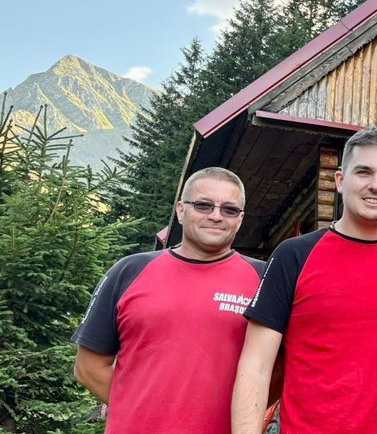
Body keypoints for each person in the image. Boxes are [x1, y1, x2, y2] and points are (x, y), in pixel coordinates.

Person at [230, 127, 377, 434]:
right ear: (339, 180)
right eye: (363, 172)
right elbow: (256, 366)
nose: (376, 185)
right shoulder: (294, 256)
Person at [73, 167, 264, 434]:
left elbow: (276, 369)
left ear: (240, 219)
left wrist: (237, 415)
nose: (216, 216)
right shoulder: (129, 271)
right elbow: (88, 368)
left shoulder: (264, 279)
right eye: (203, 205)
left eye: (229, 209)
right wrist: (143, 414)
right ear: (181, 211)